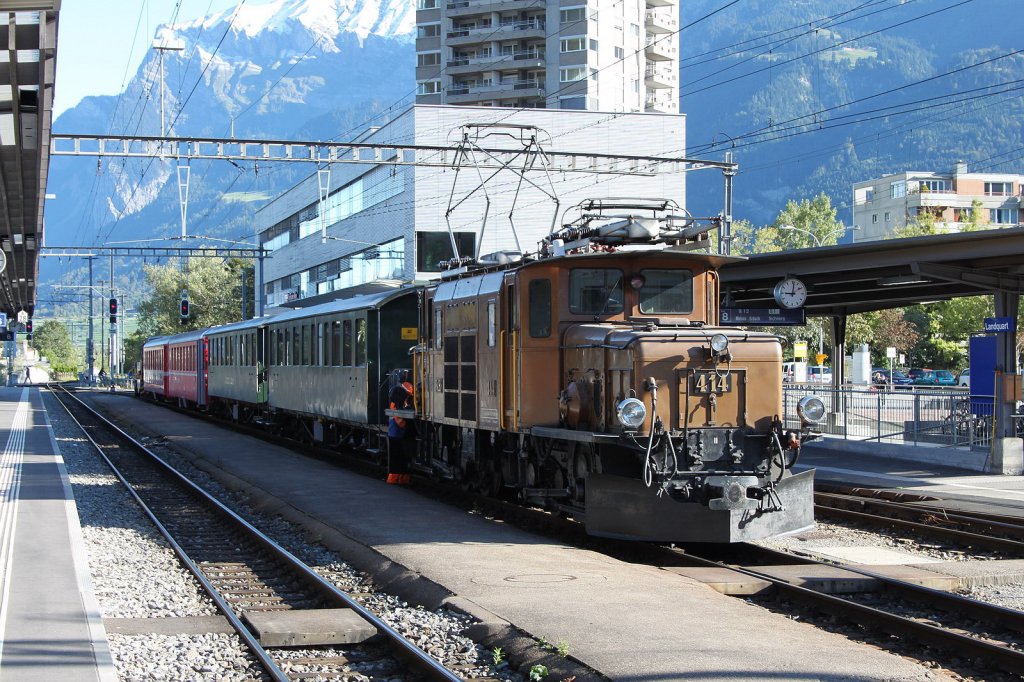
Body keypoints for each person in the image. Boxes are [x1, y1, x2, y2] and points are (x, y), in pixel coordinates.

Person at [386, 374, 414, 485]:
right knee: (397, 459)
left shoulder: (397, 405)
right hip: (397, 435)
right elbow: (400, 423)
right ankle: (393, 480)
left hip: (398, 435)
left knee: (402, 459)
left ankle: (402, 479)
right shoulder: (395, 407)